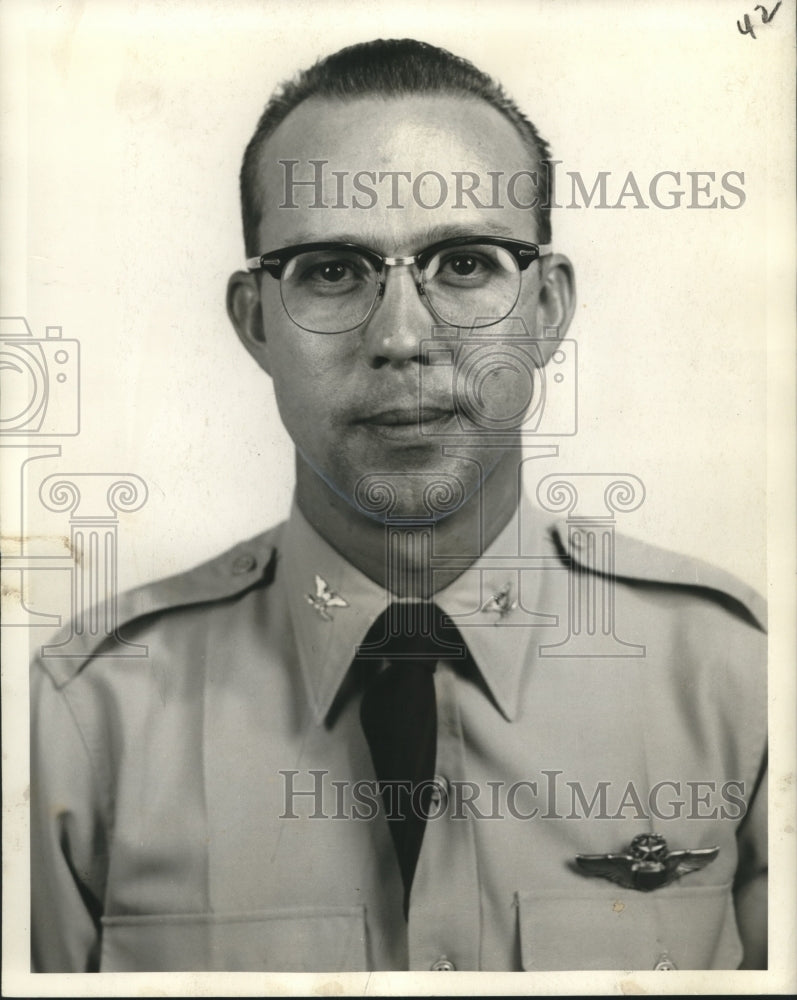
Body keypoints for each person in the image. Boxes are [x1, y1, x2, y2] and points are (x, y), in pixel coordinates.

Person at [30, 38, 767, 973]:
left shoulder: (739, 684)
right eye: (333, 271)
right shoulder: (83, 719)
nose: (403, 337)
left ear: (546, 308)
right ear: (254, 320)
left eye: (463, 264)